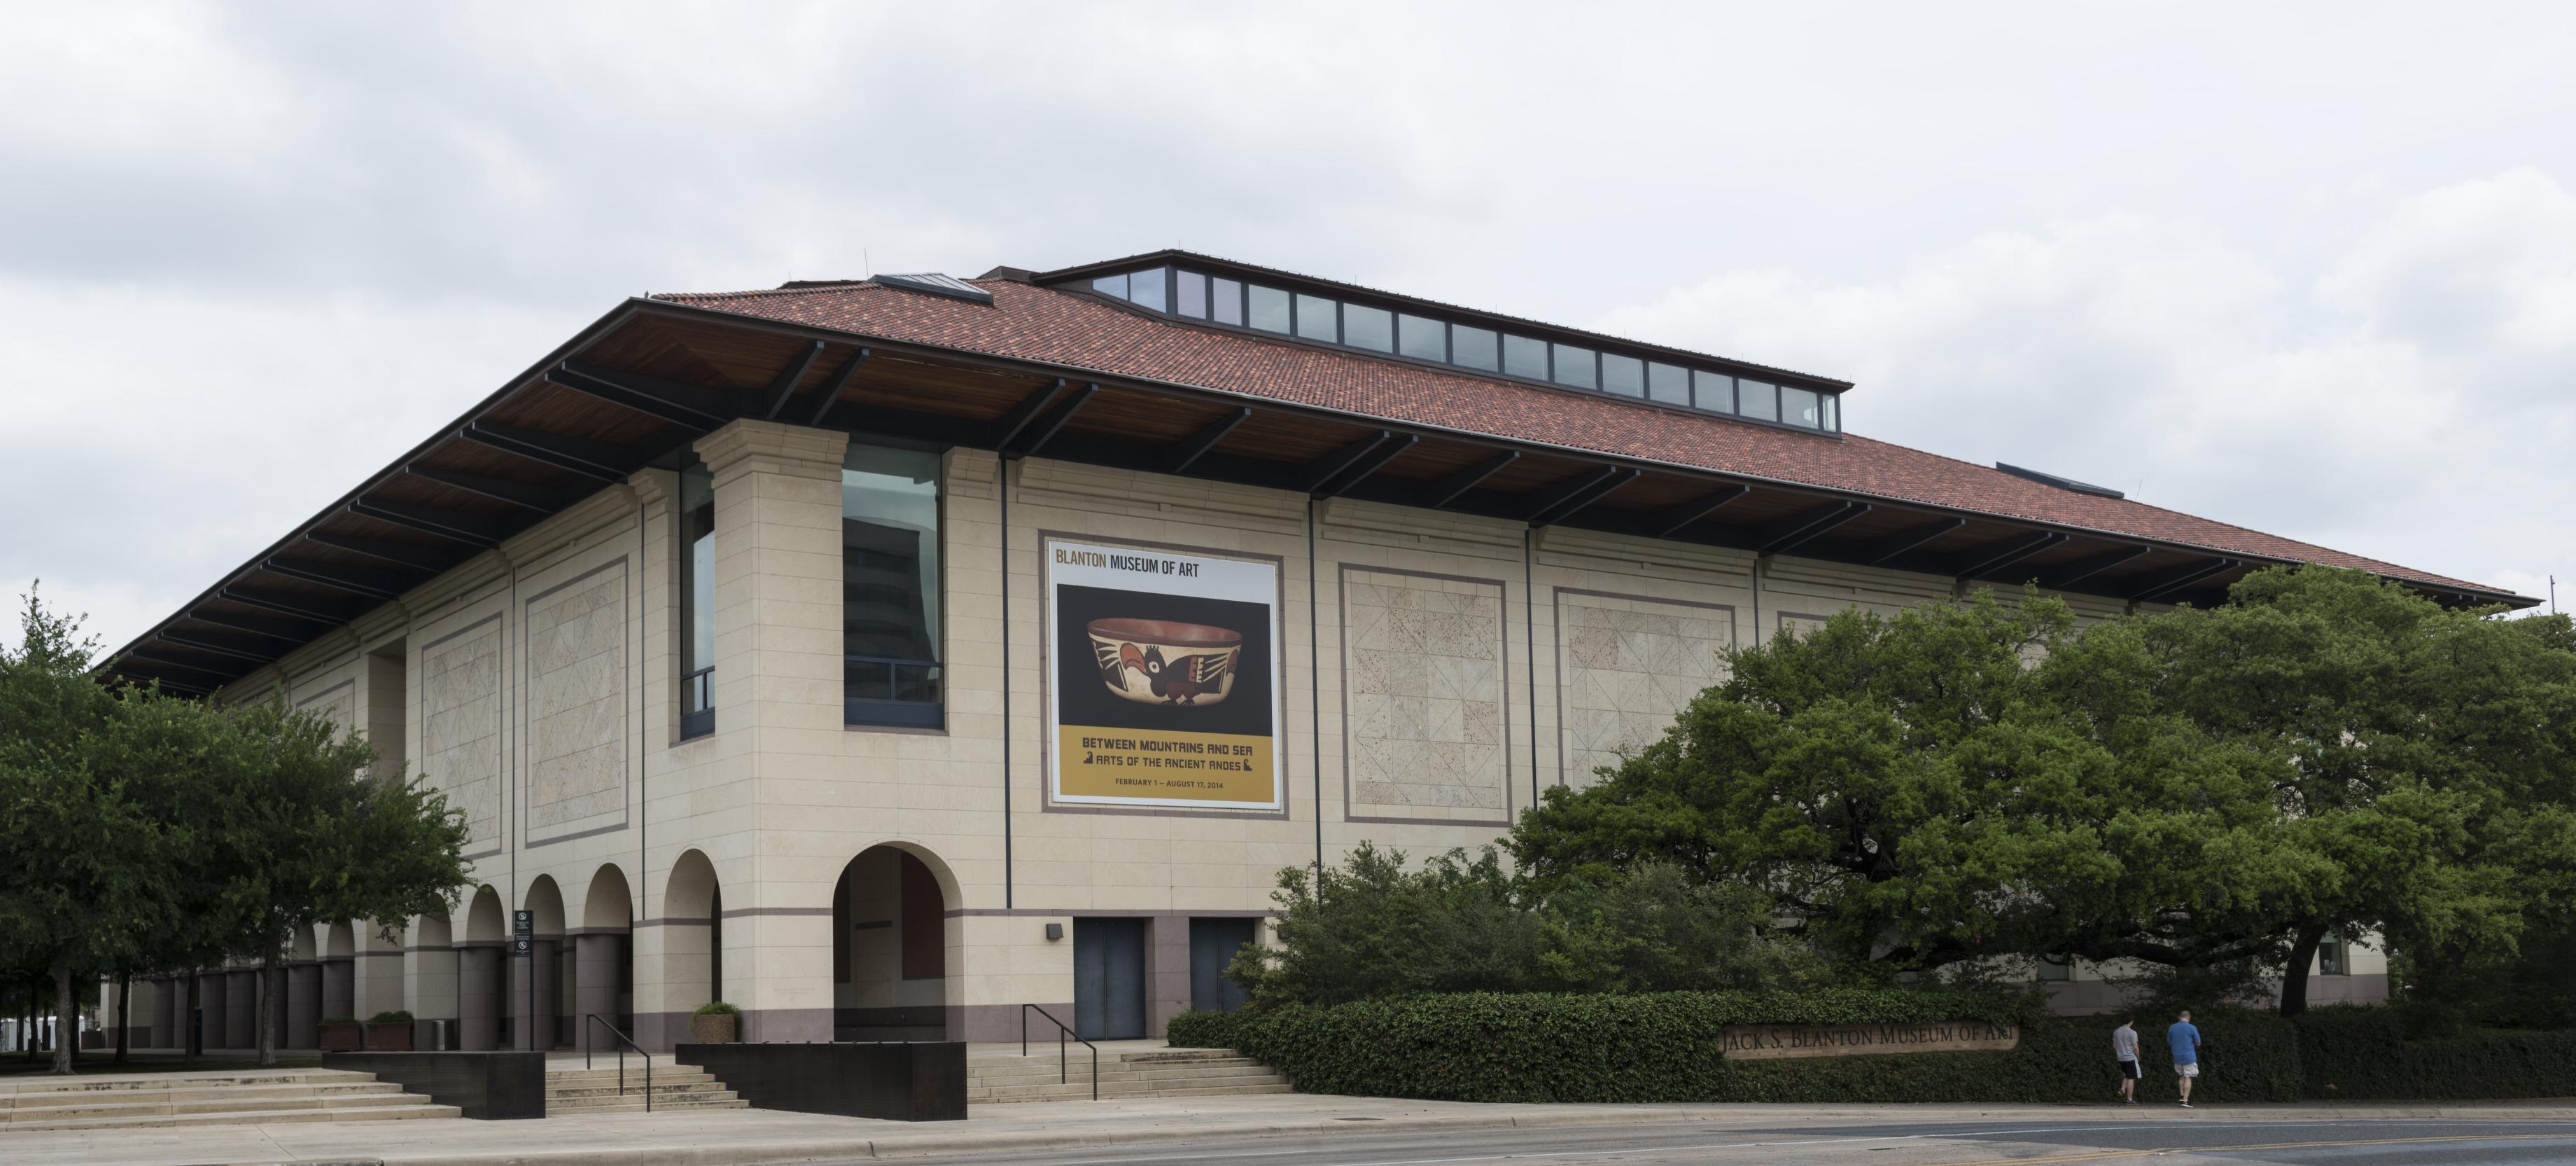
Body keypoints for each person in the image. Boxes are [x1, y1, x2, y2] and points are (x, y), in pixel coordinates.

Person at [2168, 1009, 2204, 1107]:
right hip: (2189, 1057)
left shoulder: (2172, 1027)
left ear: (2179, 1017)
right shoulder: (2192, 1028)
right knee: (2188, 1077)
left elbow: (2170, 1042)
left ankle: (2181, 1096)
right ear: (2189, 1017)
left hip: (2177, 1057)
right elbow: (2198, 1043)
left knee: (2182, 1076)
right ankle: (2185, 1101)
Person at [2113, 1018, 2141, 1103]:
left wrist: (2120, 1052)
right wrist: (2138, 1057)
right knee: (2131, 1077)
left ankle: (2122, 1089)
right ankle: (2130, 1099)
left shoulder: (2116, 1031)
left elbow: (2114, 1045)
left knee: (2127, 1075)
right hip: (2130, 1058)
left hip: (2121, 1058)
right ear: (2131, 1021)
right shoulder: (2132, 1032)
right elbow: (2136, 1048)